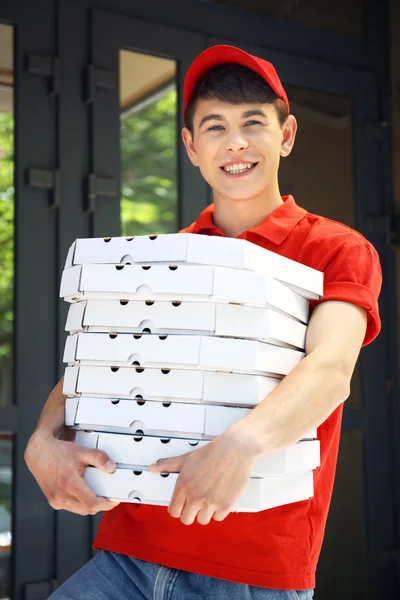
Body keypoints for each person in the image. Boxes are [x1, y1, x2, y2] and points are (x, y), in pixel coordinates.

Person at [25, 44, 382, 600]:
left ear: (285, 136)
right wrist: (44, 438)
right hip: (128, 555)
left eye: (253, 123)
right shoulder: (166, 255)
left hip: (253, 572)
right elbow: (103, 358)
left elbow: (331, 369)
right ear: (191, 147)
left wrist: (239, 446)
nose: (235, 142)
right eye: (214, 126)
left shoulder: (335, 248)